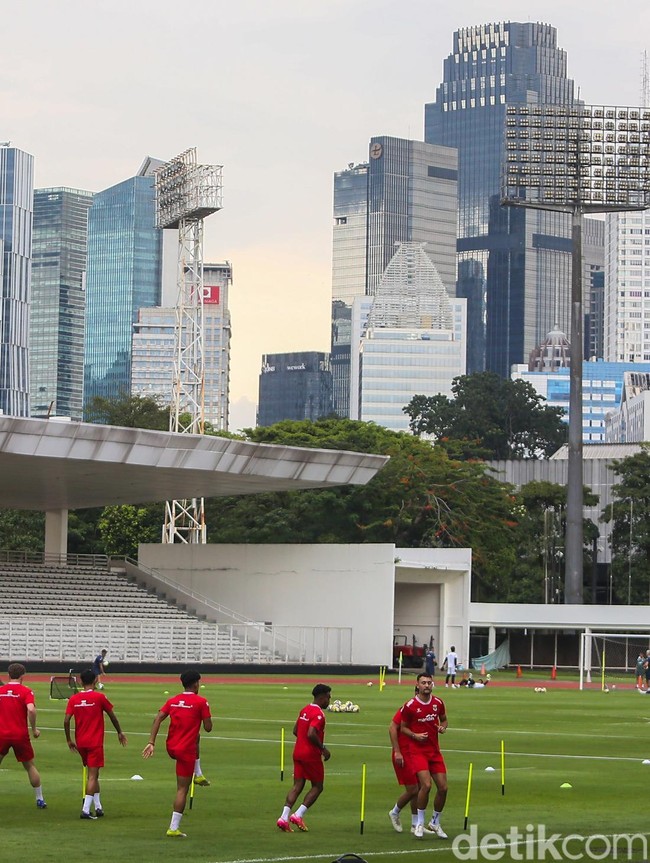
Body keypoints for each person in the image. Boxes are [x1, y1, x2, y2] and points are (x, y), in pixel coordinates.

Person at [142, 669, 212, 838]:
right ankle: (173, 827)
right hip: (185, 751)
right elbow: (209, 728)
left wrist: (151, 742)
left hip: (171, 747)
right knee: (182, 789)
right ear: (196, 683)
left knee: (197, 737)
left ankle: (199, 773)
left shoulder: (172, 700)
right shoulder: (201, 701)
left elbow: (158, 718)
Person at [64, 668, 127, 819]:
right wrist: (119, 731)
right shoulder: (99, 697)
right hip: (95, 742)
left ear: (80, 681)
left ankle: (98, 807)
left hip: (81, 742)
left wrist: (69, 739)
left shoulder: (74, 699)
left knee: (94, 774)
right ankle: (86, 810)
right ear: (95, 680)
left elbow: (66, 720)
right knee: (92, 776)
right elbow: (112, 716)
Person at [277, 683, 332, 833]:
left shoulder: (304, 709)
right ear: (322, 698)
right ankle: (298, 815)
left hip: (297, 752)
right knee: (318, 786)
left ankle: (283, 817)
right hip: (310, 756)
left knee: (297, 786)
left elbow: (296, 730)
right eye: (328, 697)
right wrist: (322, 749)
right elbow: (311, 732)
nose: (329, 700)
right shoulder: (319, 714)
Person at [400, 672, 448, 839]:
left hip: (434, 751)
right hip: (418, 751)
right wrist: (415, 735)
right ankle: (419, 822)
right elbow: (402, 727)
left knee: (443, 787)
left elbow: (444, 719)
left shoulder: (438, 703)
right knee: (426, 785)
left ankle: (435, 822)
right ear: (417, 685)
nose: (427, 685)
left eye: (429, 683)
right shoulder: (410, 705)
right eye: (423, 683)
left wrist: (443, 727)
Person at [0, 663, 47, 808]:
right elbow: (31, 710)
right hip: (20, 734)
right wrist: (34, 729)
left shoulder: (1, 690)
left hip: (2, 733)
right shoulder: (26, 691)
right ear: (22, 676)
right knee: (29, 766)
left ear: (8, 675)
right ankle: (39, 798)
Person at [388, 697, 436, 835]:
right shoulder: (407, 708)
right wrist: (397, 751)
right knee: (413, 789)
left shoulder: (423, 710)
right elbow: (392, 728)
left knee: (421, 787)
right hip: (403, 753)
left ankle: (416, 824)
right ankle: (394, 812)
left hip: (415, 753)